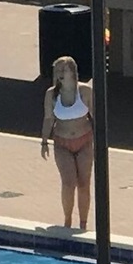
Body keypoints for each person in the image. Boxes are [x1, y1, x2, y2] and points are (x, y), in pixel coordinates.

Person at [40, 54, 94, 230]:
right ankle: (68, 220)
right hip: (62, 143)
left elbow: (95, 116)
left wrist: (101, 140)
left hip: (84, 140)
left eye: (64, 70)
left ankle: (83, 224)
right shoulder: (52, 95)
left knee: (84, 183)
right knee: (69, 182)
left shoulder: (85, 91)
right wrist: (44, 141)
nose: (61, 74)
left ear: (73, 72)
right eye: (58, 71)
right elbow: (48, 119)